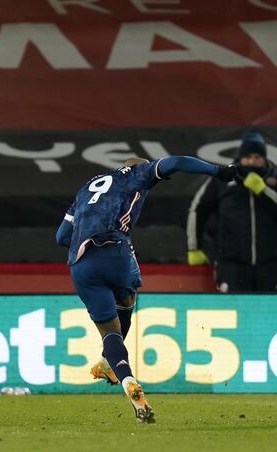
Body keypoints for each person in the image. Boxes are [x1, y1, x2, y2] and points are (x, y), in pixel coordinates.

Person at [56, 156, 237, 423]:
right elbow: (175, 162)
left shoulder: (88, 186)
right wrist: (219, 171)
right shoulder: (138, 173)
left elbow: (61, 237)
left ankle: (125, 377)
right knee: (127, 299)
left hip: (81, 262)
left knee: (109, 332)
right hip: (116, 251)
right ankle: (111, 362)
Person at [187, 130, 277, 292]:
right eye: (247, 157)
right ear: (240, 158)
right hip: (231, 264)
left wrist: (265, 191)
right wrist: (194, 248)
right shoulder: (223, 178)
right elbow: (198, 209)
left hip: (271, 265)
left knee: (269, 314)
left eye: (257, 157)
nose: (252, 161)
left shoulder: (274, 180)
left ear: (264, 159)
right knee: (235, 311)